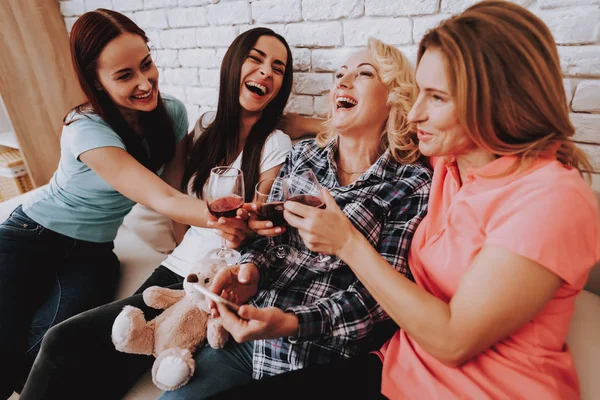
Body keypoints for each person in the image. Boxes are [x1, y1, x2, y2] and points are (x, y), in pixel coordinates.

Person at [211, 2, 600, 399]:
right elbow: (374, 130)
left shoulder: (552, 200)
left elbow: (453, 341)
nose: (416, 113)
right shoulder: (451, 161)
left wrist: (346, 242)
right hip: (394, 369)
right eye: (418, 95)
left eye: (435, 97)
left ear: (498, 102)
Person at [18, 23, 296, 399]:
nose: (266, 72)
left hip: (215, 279)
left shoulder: (276, 143)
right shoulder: (203, 126)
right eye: (257, 59)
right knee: (96, 359)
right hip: (175, 267)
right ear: (233, 65)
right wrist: (180, 248)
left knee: (63, 341)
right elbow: (172, 197)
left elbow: (256, 219)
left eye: (278, 68)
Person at [158, 38, 432, 400]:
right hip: (250, 340)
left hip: (323, 356)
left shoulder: (411, 182)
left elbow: (381, 299)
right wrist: (250, 274)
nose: (342, 83)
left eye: (364, 73)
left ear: (394, 97)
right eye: (338, 75)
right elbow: (265, 241)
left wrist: (292, 323)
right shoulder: (304, 156)